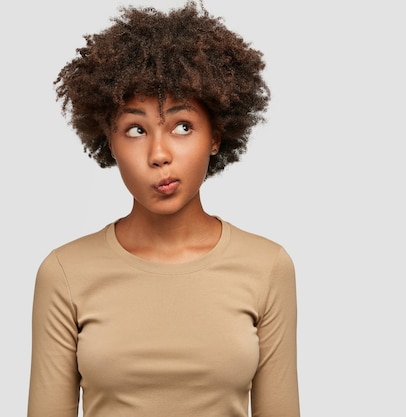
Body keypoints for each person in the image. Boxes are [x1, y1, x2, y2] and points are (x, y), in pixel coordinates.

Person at [27, 2, 300, 416]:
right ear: (109, 141)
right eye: (136, 130)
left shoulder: (267, 267)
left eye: (182, 126)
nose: (159, 154)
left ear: (216, 135)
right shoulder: (64, 274)